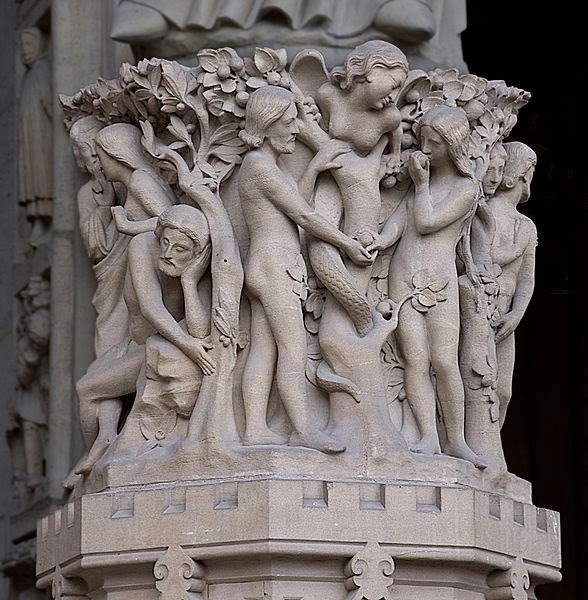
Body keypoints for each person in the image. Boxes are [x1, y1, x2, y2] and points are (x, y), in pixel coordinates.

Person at [238, 85, 373, 452]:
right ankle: (303, 430)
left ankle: (254, 429)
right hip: (274, 265)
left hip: (271, 264)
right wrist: (347, 244)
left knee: (265, 348)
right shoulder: (259, 166)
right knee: (293, 349)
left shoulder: (265, 165)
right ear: (266, 125)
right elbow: (304, 215)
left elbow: (293, 202)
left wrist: (313, 167)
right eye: (288, 122)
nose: (296, 128)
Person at [66, 204, 214, 482]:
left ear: (198, 254)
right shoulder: (143, 246)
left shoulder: (200, 269)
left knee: (86, 389)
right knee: (95, 379)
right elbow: (150, 306)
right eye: (165, 242)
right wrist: (187, 344)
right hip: (137, 343)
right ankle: (102, 442)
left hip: (155, 348)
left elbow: (199, 329)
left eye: (180, 249)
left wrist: (189, 282)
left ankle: (94, 456)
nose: (167, 253)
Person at [382, 105, 486, 468]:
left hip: (439, 280)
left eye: (434, 143)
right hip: (404, 275)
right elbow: (403, 220)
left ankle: (455, 440)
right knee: (415, 360)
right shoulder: (420, 186)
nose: (425, 149)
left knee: (443, 360)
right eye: (423, 140)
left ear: (453, 145)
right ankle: (427, 435)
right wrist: (380, 240)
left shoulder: (466, 188)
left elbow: (427, 223)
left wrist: (422, 184)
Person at [487, 142, 538, 427]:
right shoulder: (486, 212)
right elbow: (480, 256)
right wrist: (515, 249)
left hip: (507, 316)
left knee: (503, 392)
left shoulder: (526, 225)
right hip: (482, 306)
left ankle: (491, 447)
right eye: (530, 170)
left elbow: (527, 278)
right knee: (480, 386)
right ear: (521, 173)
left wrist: (516, 314)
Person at [17, 27, 53, 247]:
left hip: (41, 139)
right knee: (33, 178)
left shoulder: (41, 69)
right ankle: (38, 222)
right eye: (22, 45)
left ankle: (47, 221)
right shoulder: (29, 75)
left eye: (29, 44)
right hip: (30, 141)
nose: (24, 50)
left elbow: (50, 104)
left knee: (41, 178)